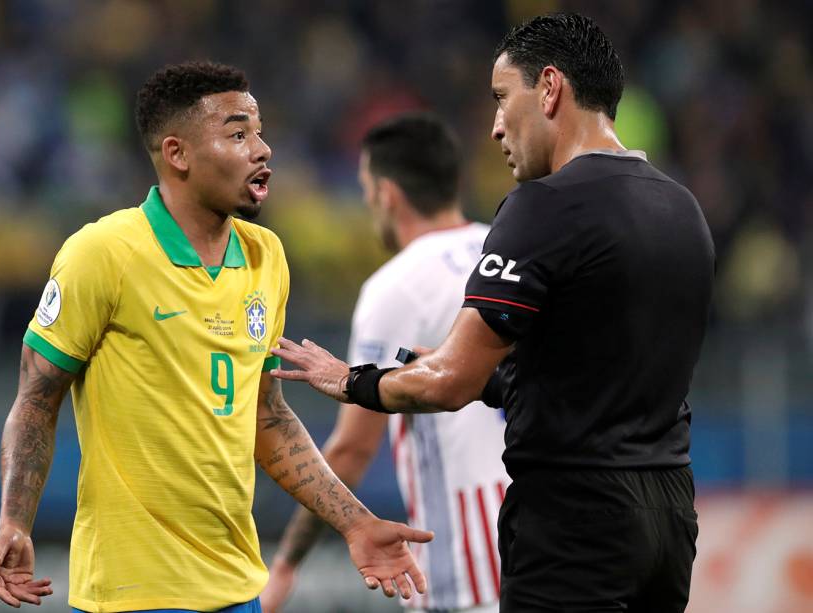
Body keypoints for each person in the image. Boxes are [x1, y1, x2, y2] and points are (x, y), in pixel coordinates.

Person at [270, 13, 714, 613]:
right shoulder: (682, 207)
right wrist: (495, 378)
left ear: (551, 89)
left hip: (575, 519)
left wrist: (351, 380)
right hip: (669, 519)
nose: (496, 127)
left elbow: (448, 381)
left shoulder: (543, 206)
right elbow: (601, 374)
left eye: (503, 99)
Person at [0, 60, 433, 613]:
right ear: (177, 154)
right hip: (133, 594)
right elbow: (35, 399)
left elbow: (266, 418)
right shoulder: (103, 252)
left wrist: (356, 524)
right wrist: (15, 521)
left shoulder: (265, 256)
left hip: (238, 587)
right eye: (238, 133)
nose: (263, 149)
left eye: (261, 131)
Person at [262, 113, 508, 613]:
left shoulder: (395, 287)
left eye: (366, 188)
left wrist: (286, 562)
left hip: (464, 560)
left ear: (388, 194)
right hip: (546, 541)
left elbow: (353, 448)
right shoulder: (509, 252)